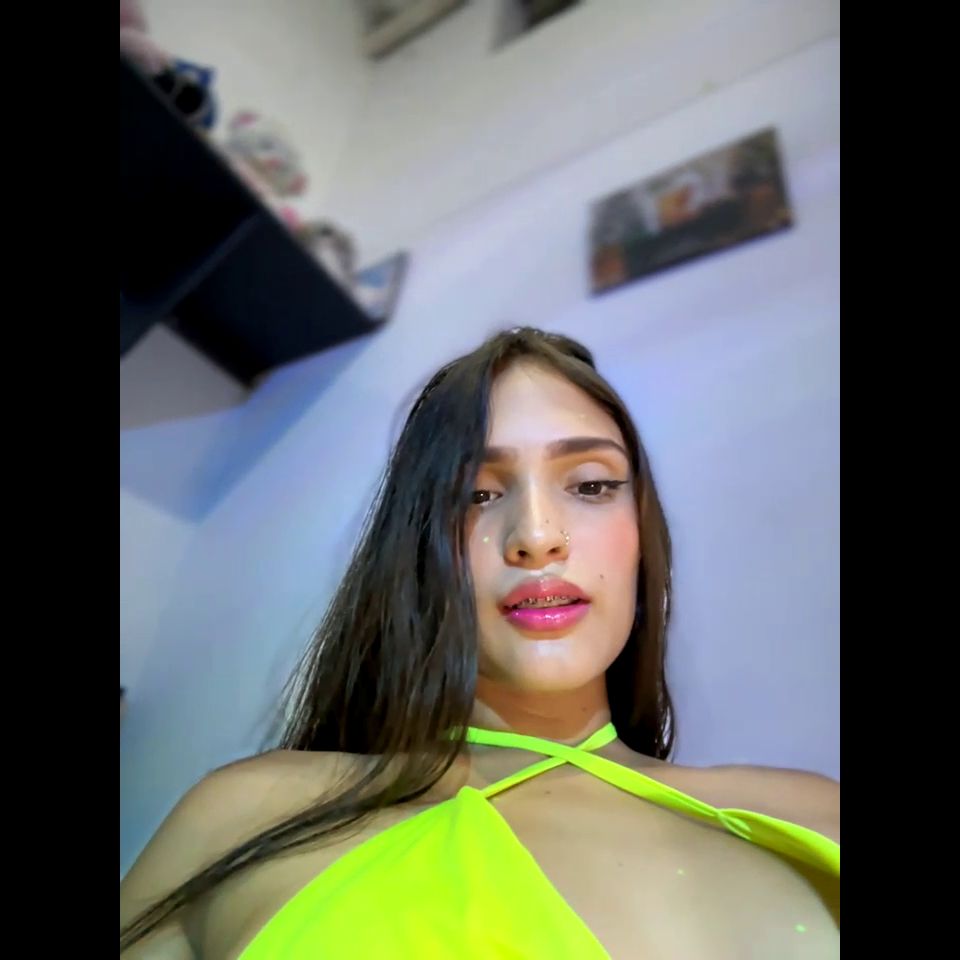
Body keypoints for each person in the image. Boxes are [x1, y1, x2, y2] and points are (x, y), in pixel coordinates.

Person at [120, 327, 839, 958]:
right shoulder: (245, 819)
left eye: (591, 485)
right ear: (417, 548)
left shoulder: (814, 815)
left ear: (642, 535)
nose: (536, 536)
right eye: (475, 495)